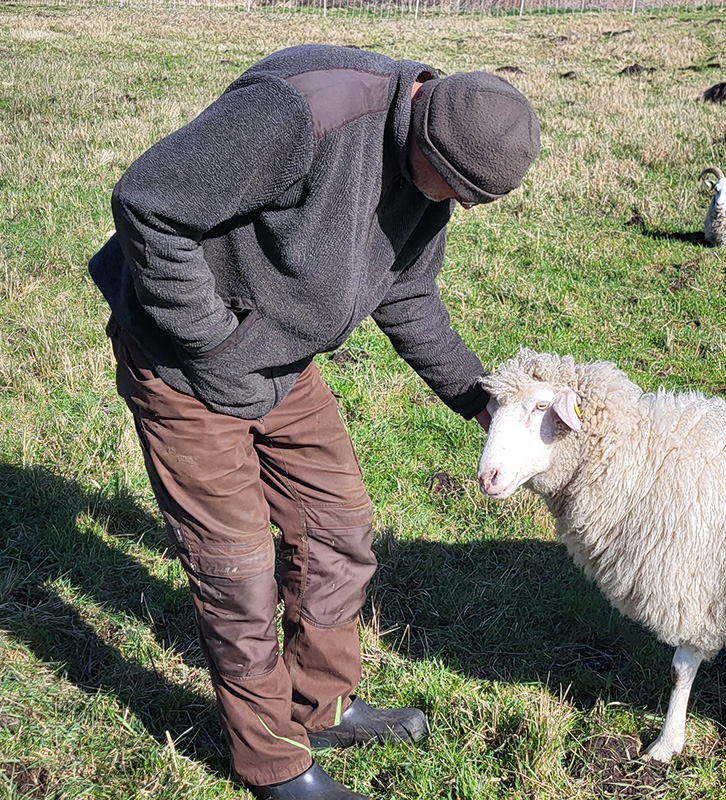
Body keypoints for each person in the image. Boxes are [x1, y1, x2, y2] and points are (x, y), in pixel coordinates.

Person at [87, 45, 540, 800]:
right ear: (423, 134)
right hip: (181, 362)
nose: (451, 207)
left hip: (280, 363)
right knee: (238, 576)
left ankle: (321, 703)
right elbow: (148, 199)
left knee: (338, 527)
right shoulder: (304, 114)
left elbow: (407, 293)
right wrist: (212, 340)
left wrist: (483, 399)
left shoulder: (431, 173)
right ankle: (275, 767)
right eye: (453, 189)